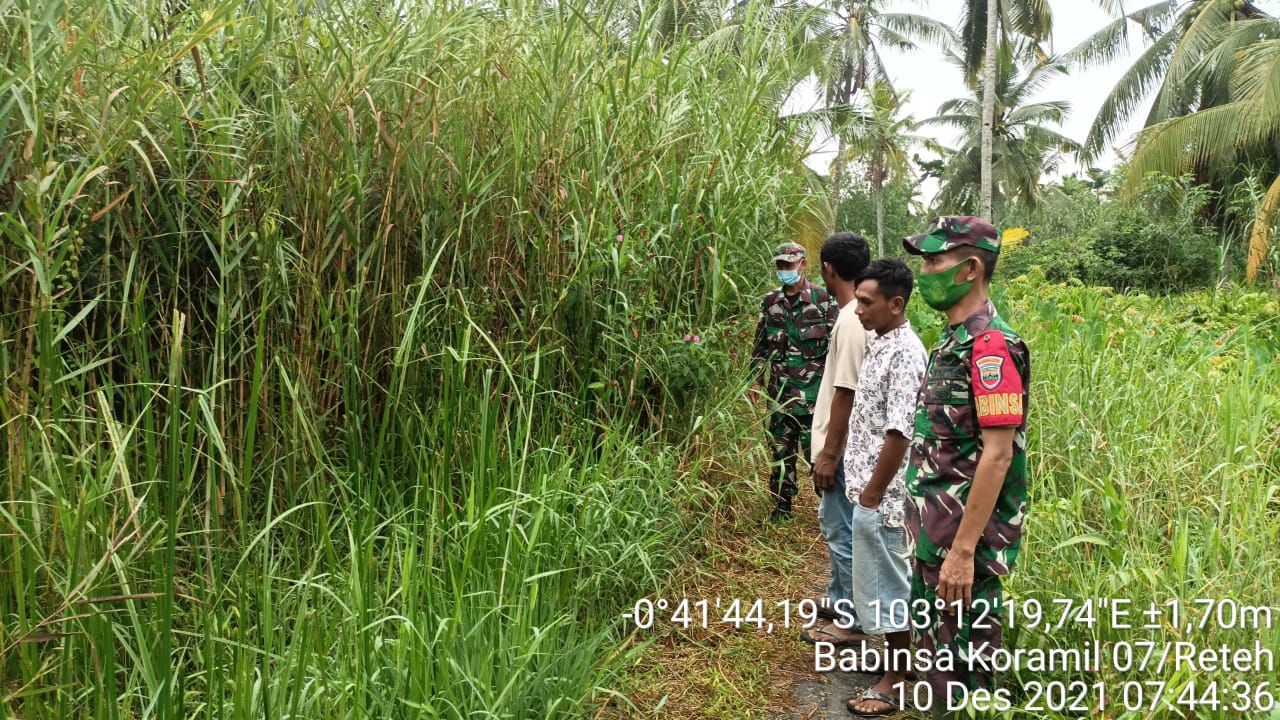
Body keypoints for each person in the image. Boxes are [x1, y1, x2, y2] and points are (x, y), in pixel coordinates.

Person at [900, 217, 1031, 714]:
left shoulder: (991, 347)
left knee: (960, 681)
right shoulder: (953, 341)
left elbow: (998, 454)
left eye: (935, 261)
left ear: (971, 268)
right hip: (934, 537)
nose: (926, 272)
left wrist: (962, 551)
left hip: (960, 546)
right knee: (935, 665)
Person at [841, 259, 928, 717]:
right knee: (879, 582)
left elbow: (899, 431)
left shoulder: (906, 353)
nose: (858, 309)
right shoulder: (880, 343)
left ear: (896, 305)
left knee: (890, 586)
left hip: (885, 498)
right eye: (858, 300)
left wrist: (873, 494)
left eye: (866, 302)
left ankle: (894, 680)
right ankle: (898, 661)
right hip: (869, 491)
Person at [803, 232, 870, 643]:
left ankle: (851, 621)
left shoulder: (849, 320)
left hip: (843, 450)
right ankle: (839, 596)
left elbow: (846, 391)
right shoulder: (858, 315)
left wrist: (829, 454)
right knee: (840, 527)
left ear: (828, 268)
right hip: (851, 446)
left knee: (841, 529)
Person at [751, 242, 838, 523]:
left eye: (789, 265)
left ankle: (829, 509)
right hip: (780, 395)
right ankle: (782, 507)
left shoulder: (823, 300)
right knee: (780, 452)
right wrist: (755, 381)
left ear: (803, 264)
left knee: (819, 454)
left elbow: (836, 346)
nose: (784, 269)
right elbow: (760, 346)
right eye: (780, 265)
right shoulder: (770, 303)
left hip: (815, 397)